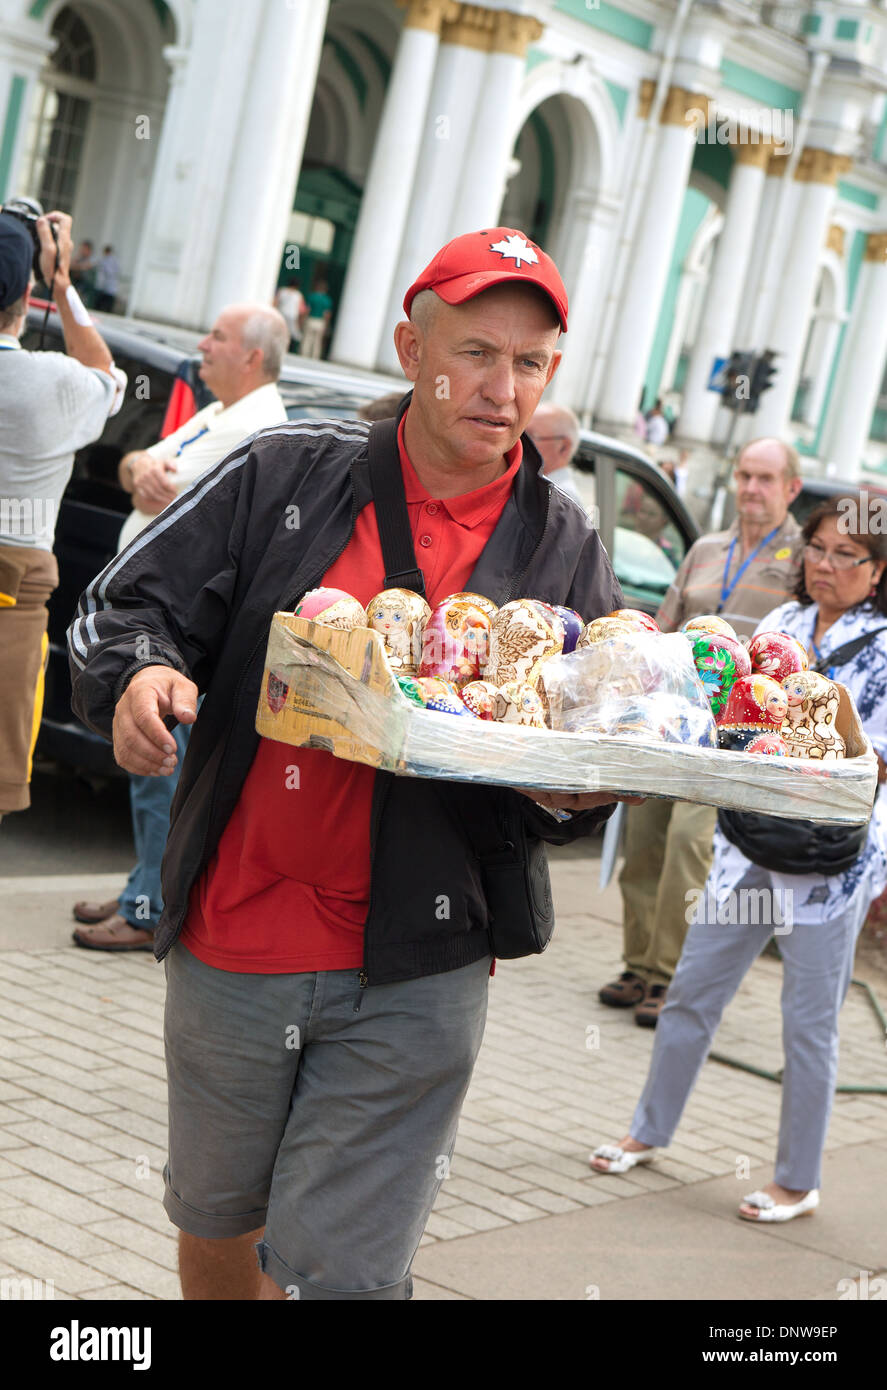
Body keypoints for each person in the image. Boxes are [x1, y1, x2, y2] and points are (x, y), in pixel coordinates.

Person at [68, 225, 640, 1300]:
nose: (501, 386)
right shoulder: (288, 469)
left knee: (347, 1276)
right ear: (410, 348)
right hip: (238, 932)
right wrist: (140, 676)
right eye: (474, 350)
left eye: (528, 363)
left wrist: (582, 783)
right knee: (219, 1219)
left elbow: (583, 732)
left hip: (421, 963)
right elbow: (127, 600)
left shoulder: (561, 544)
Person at [590, 494, 887, 1225]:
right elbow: (734, 713)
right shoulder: (781, 626)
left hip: (827, 862)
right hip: (748, 842)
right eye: (815, 548)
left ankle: (797, 1178)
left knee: (808, 1023)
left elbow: (873, 762)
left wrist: (814, 751)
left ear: (877, 571)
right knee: (692, 990)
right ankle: (647, 1129)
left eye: (846, 556)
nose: (824, 566)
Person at [70, 303, 289, 950]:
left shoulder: (257, 425)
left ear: (251, 356)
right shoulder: (220, 409)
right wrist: (137, 466)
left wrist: (143, 471)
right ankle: (143, 880)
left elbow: (165, 488)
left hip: (178, 629)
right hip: (153, 618)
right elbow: (135, 466)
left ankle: (149, 907)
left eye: (217, 337)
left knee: (157, 767)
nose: (203, 344)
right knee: (148, 771)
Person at [601, 439, 803, 1025]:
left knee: (692, 844)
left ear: (791, 487)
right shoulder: (706, 549)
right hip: (674, 717)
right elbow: (663, 628)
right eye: (744, 474)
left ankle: (670, 975)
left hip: (738, 729)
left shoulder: (798, 559)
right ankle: (637, 965)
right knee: (645, 837)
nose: (750, 488)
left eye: (765, 478)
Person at [0, 208, 124, 825]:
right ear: (25, 292)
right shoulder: (52, 382)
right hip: (12, 598)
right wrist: (63, 283)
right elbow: (107, 374)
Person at [527, 401, 585, 506]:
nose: (520, 442)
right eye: (522, 434)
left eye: (530, 436)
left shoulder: (561, 498)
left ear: (563, 447)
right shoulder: (534, 485)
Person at [299, 276, 332, 358]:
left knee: (307, 338)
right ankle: (314, 356)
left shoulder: (312, 296)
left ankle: (304, 354)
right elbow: (327, 314)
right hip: (320, 321)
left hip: (311, 319)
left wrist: (302, 319)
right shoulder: (327, 300)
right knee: (317, 341)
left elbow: (308, 310)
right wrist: (326, 324)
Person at [274, 279, 306, 353]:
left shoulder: (282, 291)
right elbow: (301, 308)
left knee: (279, 332)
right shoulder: (298, 294)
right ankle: (285, 348)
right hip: (292, 316)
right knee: (289, 333)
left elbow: (276, 302)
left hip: (281, 314)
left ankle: (278, 347)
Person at [93, 245, 120, 312]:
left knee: (107, 303)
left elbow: (110, 272)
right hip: (105, 286)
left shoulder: (111, 260)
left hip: (109, 286)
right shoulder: (105, 259)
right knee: (101, 303)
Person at [70, 239, 97, 305]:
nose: (81, 251)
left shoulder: (93, 259)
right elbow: (70, 265)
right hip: (78, 282)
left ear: (89, 250)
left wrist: (76, 266)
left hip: (88, 285)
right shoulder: (80, 258)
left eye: (83, 249)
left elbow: (84, 267)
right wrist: (78, 257)